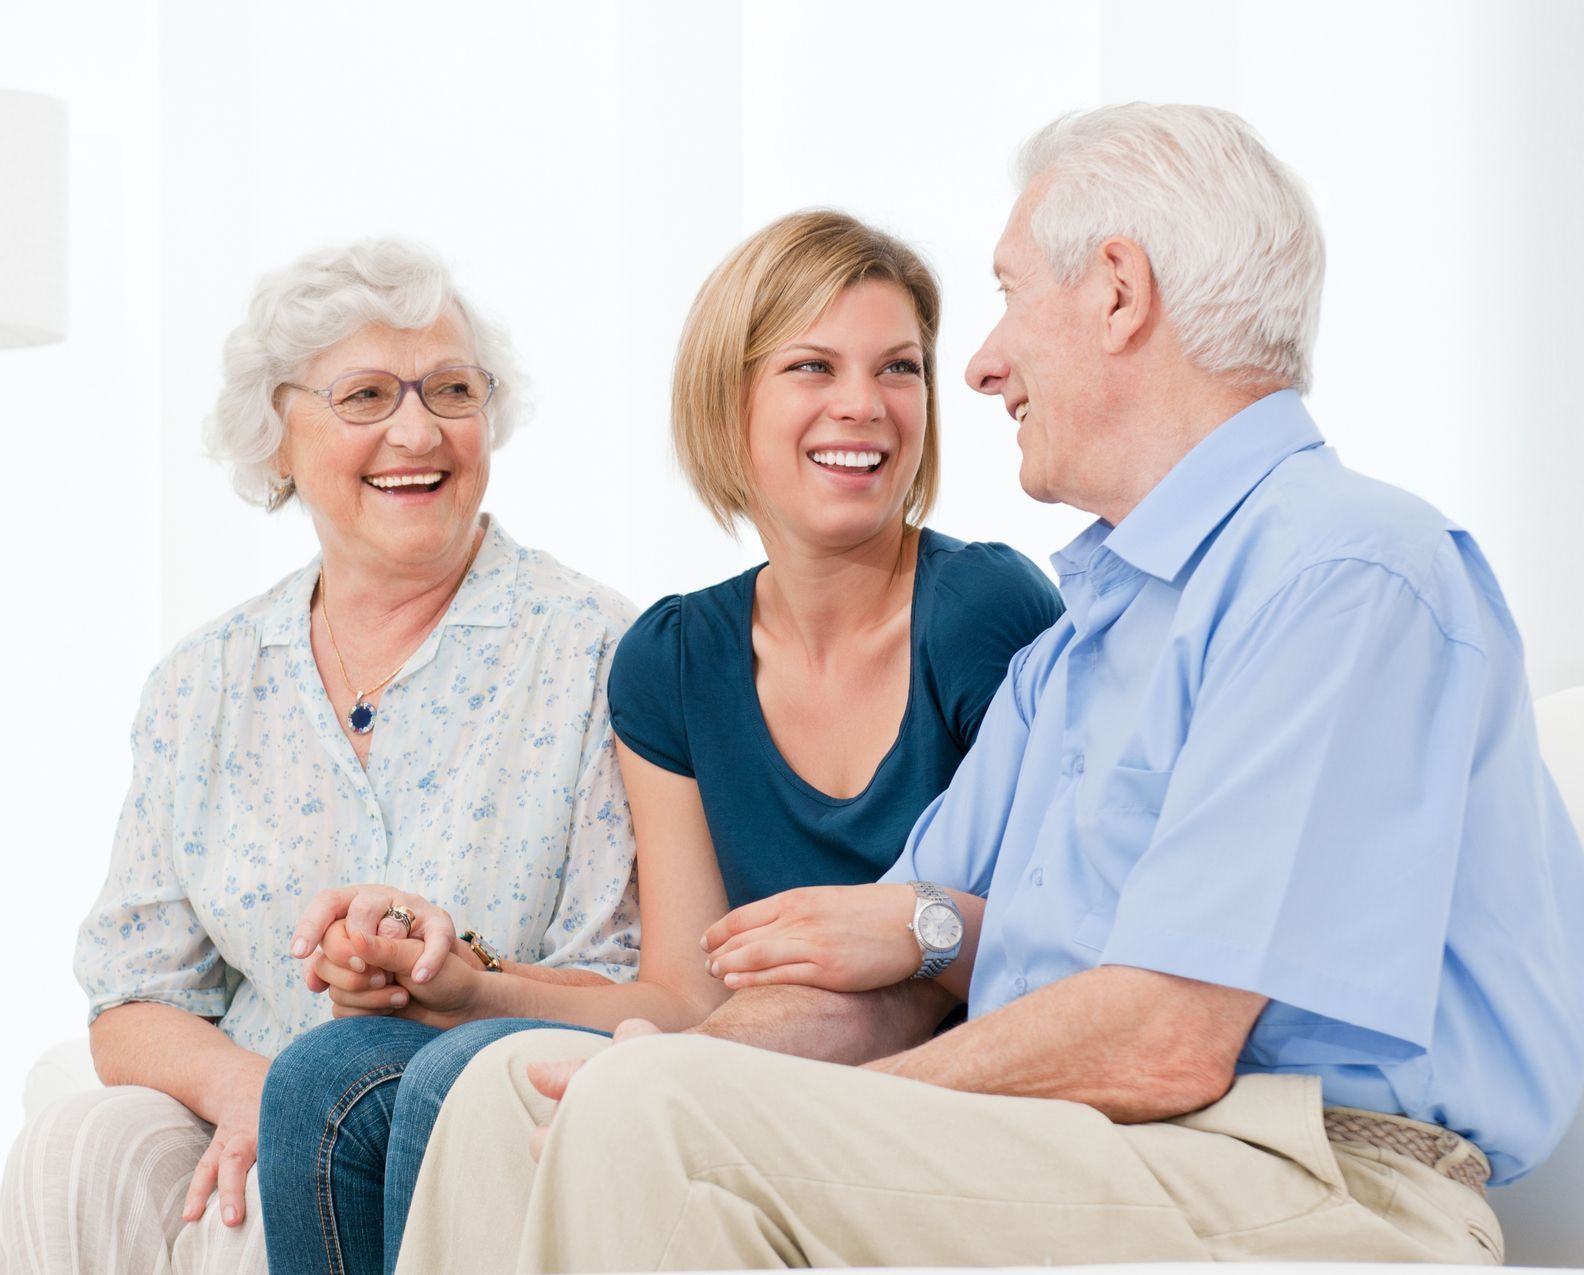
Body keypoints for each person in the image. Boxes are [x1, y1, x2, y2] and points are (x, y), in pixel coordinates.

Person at [394, 103, 1584, 1271]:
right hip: (1092, 1152)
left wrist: (788, 1114)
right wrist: (677, 1064)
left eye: (1010, 296)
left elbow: (1168, 1037)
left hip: (1313, 1175)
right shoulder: (1081, 646)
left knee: (660, 1123)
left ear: (1118, 291)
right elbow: (900, 969)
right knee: (516, 1094)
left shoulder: (1344, 571)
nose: (982, 363)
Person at [256, 211, 1063, 1275]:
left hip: (914, 1077)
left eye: (899, 368)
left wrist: (913, 935)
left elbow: (1072, 944)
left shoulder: (982, 611)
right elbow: (685, 995)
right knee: (326, 1072)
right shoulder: (674, 657)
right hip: (738, 1049)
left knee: (475, 1082)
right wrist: (470, 985)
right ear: (729, 406)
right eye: (812, 365)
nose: (863, 405)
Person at [0, 240, 641, 1274]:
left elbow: (619, 977)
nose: (418, 431)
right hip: (255, 1110)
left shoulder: (599, 653)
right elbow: (131, 994)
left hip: (467, 1112)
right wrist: (251, 1094)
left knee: (304, 1171)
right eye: (367, 395)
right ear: (277, 438)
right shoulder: (202, 682)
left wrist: (442, 984)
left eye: (452, 390)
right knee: (76, 1144)